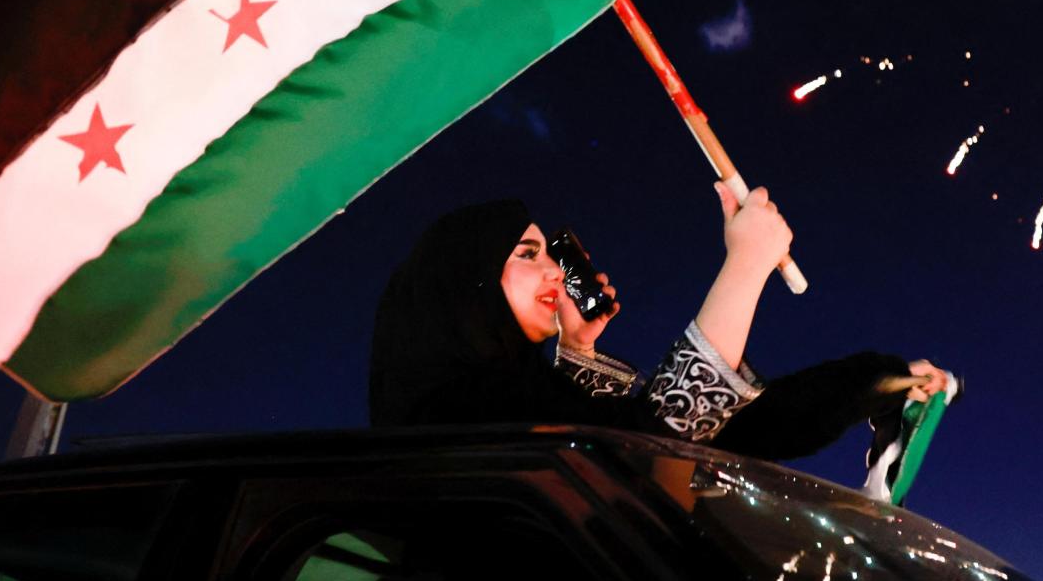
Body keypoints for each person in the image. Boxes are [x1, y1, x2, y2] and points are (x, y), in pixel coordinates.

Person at [368, 182, 952, 472]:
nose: (553, 270)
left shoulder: (501, 392)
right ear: (466, 280)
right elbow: (660, 442)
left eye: (550, 253)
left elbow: (719, 438)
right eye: (526, 254)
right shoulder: (454, 414)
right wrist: (745, 266)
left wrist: (879, 379)